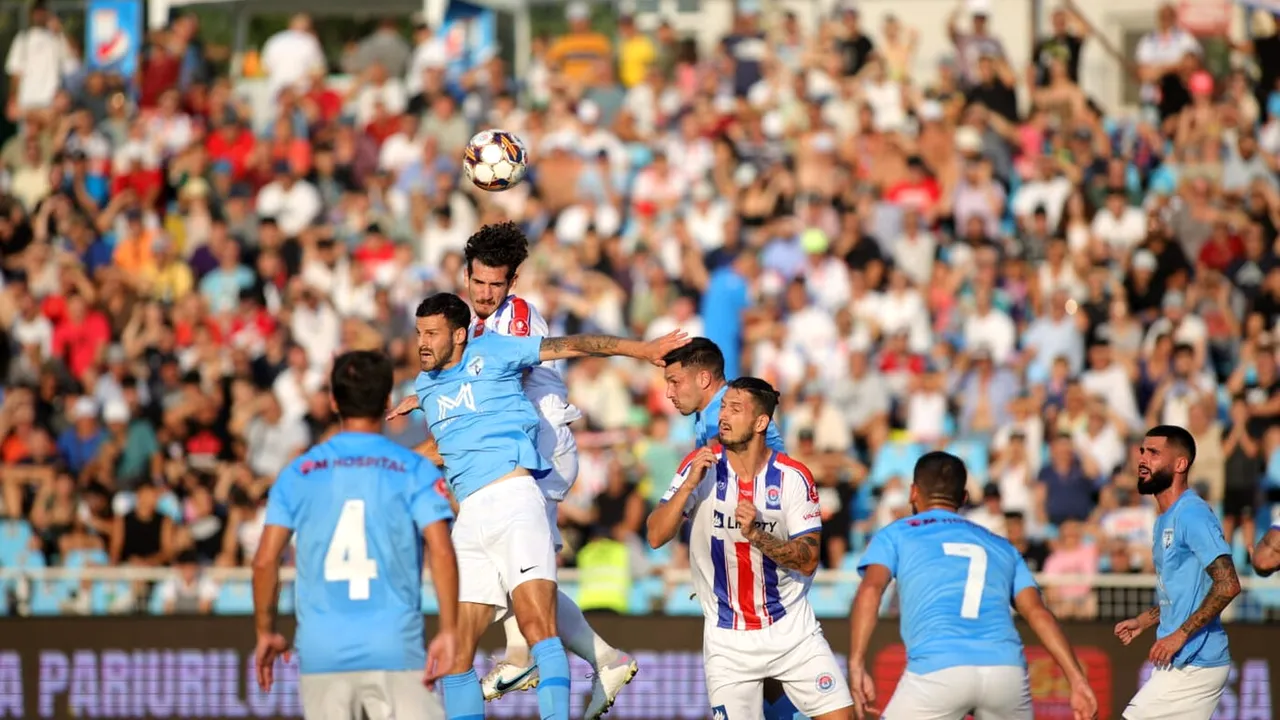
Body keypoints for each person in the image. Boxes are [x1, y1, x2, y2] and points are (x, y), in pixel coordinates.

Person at [388, 292, 688, 720]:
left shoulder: (495, 350)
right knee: (455, 650)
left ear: (458, 334)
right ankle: (586, 658)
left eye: (431, 333)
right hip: (468, 518)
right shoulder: (425, 385)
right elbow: (444, 445)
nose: (421, 342)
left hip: (516, 501)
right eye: (418, 333)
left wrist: (639, 350)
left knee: (537, 626)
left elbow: (573, 345)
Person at [460, 223, 638, 717]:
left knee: (520, 567)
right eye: (479, 282)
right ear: (468, 275)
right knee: (524, 570)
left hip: (539, 449)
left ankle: (522, 656)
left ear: (512, 283)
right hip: (518, 453)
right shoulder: (475, 324)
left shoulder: (516, 316)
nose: (486, 293)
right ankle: (606, 659)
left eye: (496, 284)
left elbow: (500, 380)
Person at [251, 350, 458, 720]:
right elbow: (442, 552)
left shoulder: (298, 472)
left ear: (333, 401)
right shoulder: (414, 469)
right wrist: (449, 629)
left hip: (321, 651)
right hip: (395, 646)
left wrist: (266, 631)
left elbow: (265, 560)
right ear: (387, 402)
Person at [645, 377, 854, 720]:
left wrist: (756, 534)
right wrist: (687, 488)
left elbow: (808, 560)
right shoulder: (700, 466)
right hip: (729, 643)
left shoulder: (793, 477)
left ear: (761, 423)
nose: (724, 416)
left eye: (736, 409)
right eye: (724, 406)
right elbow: (655, 535)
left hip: (792, 632)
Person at [848, 450, 1098, 720]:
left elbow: (871, 589)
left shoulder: (897, 532)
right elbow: (1038, 613)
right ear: (964, 498)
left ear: (913, 492)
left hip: (938, 670)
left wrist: (856, 662)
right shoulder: (1002, 545)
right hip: (1006, 672)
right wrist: (1077, 680)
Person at [662, 337, 800, 720]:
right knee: (772, 675)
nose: (668, 392)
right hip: (754, 542)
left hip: (752, 551)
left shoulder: (720, 421)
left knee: (759, 667)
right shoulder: (725, 413)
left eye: (675, 382)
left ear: (704, 378)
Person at [1114, 425, 1241, 720]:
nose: (1143, 459)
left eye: (1154, 453)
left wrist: (1179, 636)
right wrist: (1144, 621)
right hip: (1182, 661)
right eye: (1142, 451)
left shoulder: (1192, 513)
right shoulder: (1164, 520)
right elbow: (1185, 592)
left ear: (1180, 464)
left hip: (1196, 662)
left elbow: (1228, 585)